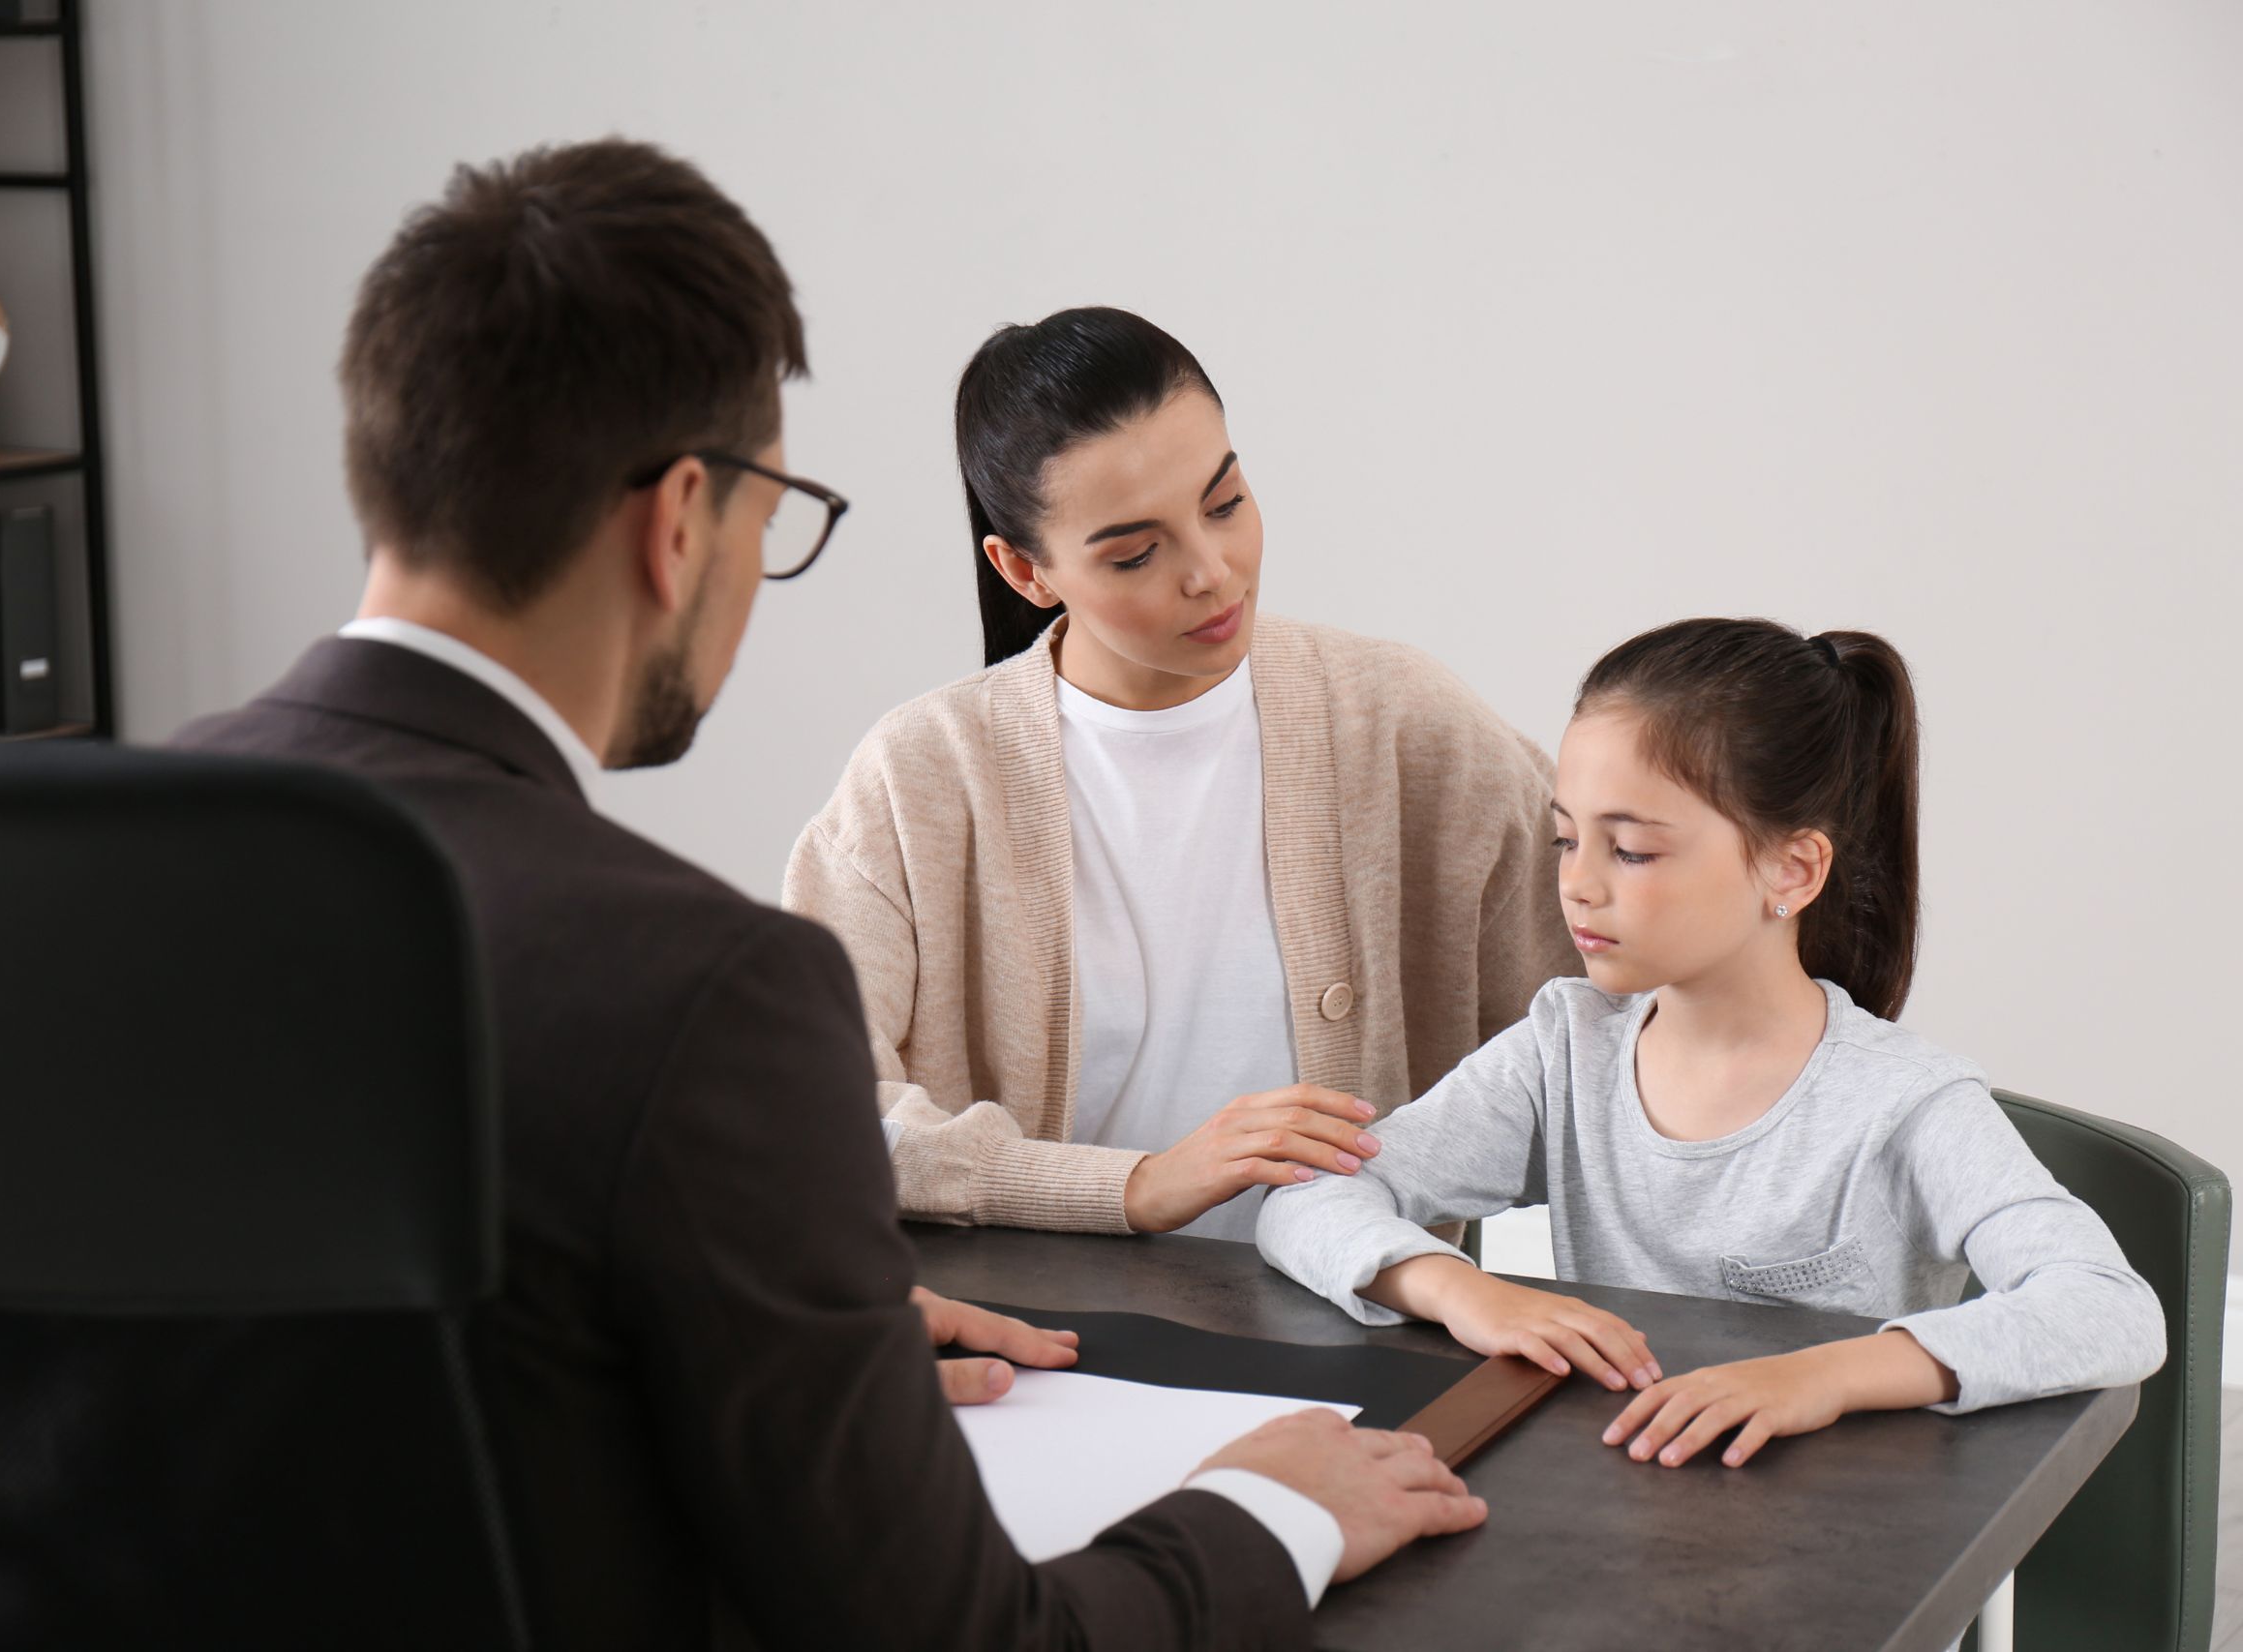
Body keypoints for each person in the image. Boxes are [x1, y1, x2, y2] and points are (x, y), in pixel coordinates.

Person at [174, 139, 1484, 1650]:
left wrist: (743, 1332)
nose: (1206, 571)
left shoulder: (44, 867)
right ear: (683, 522)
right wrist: (1274, 1504)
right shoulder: (704, 975)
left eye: (1227, 500)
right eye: (773, 519)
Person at [1257, 617, 2166, 1467]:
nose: (1577, 885)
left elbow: (2110, 1309)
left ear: (1792, 868)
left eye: (1633, 852)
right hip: (1623, 1499)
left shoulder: (1904, 1103)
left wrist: (1822, 1373)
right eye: (1568, 839)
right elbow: (1309, 1199)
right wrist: (1466, 1291)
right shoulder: (1564, 1050)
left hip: (1845, 1541)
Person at [785, 308, 1576, 1242]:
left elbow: (1609, 1034)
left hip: (1363, 1338)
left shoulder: (1407, 723)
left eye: (1225, 502)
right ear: (1025, 570)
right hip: (1040, 1354)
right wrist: (1134, 1186)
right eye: (1135, 552)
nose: (1213, 572)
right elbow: (806, 1105)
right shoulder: (918, 781)